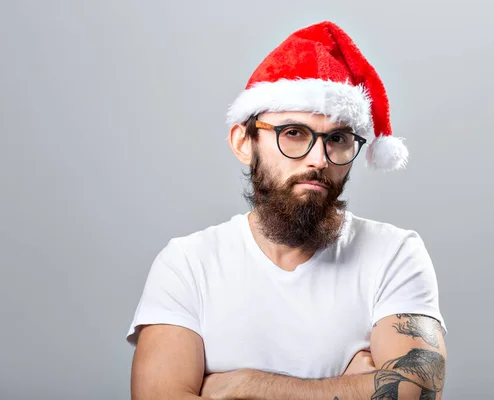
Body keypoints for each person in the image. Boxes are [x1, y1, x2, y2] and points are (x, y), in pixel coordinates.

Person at [126, 21, 447, 400]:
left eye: (339, 139)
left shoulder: (394, 252)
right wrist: (350, 386)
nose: (318, 159)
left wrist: (246, 386)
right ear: (244, 142)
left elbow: (415, 392)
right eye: (293, 133)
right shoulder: (188, 263)